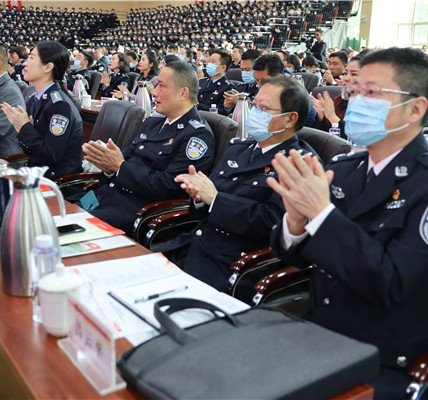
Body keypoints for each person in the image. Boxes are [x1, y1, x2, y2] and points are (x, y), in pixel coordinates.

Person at [266, 47, 428, 399]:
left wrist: (321, 214)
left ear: (415, 109)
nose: (355, 100)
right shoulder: (346, 167)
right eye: (355, 90)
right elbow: (292, 256)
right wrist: (296, 221)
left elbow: (391, 284)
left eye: (372, 92)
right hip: (320, 330)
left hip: (387, 357)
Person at [160, 76, 319, 292]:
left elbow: (275, 223)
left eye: (263, 108)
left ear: (290, 119)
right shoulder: (239, 148)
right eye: (254, 105)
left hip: (235, 264)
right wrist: (198, 196)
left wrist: (215, 200)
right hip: (193, 245)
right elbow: (206, 205)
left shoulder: (300, 165)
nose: (254, 113)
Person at [78, 61, 215, 233]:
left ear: (183, 93)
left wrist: (119, 167)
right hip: (107, 196)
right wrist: (109, 168)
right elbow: (126, 160)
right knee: (56, 208)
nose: (154, 92)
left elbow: (169, 187)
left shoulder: (197, 136)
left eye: (161, 86)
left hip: (139, 211)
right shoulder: (153, 122)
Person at [0, 41, 83, 181]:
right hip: (35, 173)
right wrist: (23, 129)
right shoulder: (34, 99)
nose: (25, 64)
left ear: (48, 67)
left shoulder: (60, 106)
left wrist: (24, 127)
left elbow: (51, 156)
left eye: (31, 58)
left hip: (55, 182)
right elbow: (30, 150)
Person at [312, 54, 363, 135]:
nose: (346, 78)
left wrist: (333, 118)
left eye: (353, 74)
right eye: (345, 73)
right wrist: (322, 116)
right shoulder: (338, 100)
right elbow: (319, 137)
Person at [197, 48, 236, 115]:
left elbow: (221, 112)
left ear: (223, 67)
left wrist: (197, 105)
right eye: (209, 61)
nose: (209, 64)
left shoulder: (228, 88)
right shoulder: (201, 81)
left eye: (213, 62)